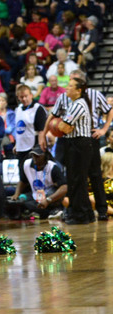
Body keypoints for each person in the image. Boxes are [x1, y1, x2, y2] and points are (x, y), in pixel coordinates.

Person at [47, 75, 97, 224]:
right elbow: (65, 127)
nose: (67, 88)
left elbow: (62, 127)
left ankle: (79, 215)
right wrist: (65, 126)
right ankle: (87, 214)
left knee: (76, 180)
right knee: (78, 180)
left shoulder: (78, 105)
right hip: (78, 144)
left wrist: (60, 125)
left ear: (78, 90)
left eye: (70, 86)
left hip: (79, 144)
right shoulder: (77, 103)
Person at [8, 145, 67, 219]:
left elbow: (64, 187)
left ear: (45, 156)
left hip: (50, 196)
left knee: (52, 194)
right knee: (21, 200)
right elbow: (23, 181)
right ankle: (36, 211)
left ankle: (55, 210)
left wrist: (48, 200)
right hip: (35, 195)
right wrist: (16, 194)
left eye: (37, 156)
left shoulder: (53, 167)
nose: (34, 158)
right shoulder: (27, 164)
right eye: (33, 155)